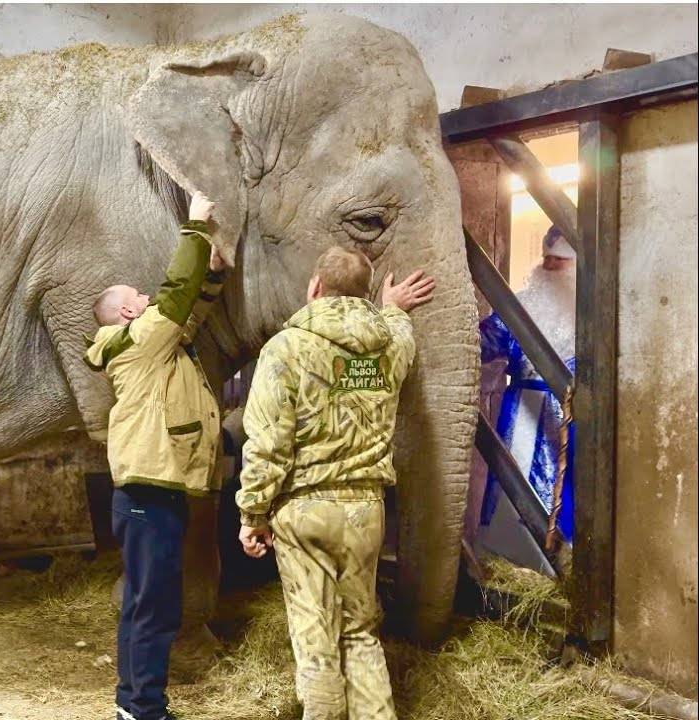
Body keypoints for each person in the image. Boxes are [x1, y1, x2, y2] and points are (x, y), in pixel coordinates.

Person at [236, 247, 435, 719]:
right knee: (360, 631)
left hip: (304, 512)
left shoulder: (286, 349)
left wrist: (252, 514)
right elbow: (402, 337)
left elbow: (269, 442)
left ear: (314, 288)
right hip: (366, 511)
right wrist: (393, 310)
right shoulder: (388, 346)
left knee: (316, 641)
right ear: (364, 295)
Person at [84, 192, 227, 720]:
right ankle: (142, 709)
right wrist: (196, 227)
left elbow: (190, 312)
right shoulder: (140, 339)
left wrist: (211, 275)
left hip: (153, 491)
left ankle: (135, 706)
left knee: (147, 603)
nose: (147, 297)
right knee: (153, 608)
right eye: (137, 295)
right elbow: (175, 294)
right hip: (148, 491)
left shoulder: (153, 343)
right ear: (127, 311)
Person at [478, 225, 577, 561]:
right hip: (518, 412)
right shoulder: (520, 306)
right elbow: (484, 342)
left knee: (565, 499)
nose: (548, 267)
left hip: (569, 422)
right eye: (546, 259)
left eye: (559, 262)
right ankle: (509, 562)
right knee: (512, 491)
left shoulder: (592, 316)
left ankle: (558, 566)